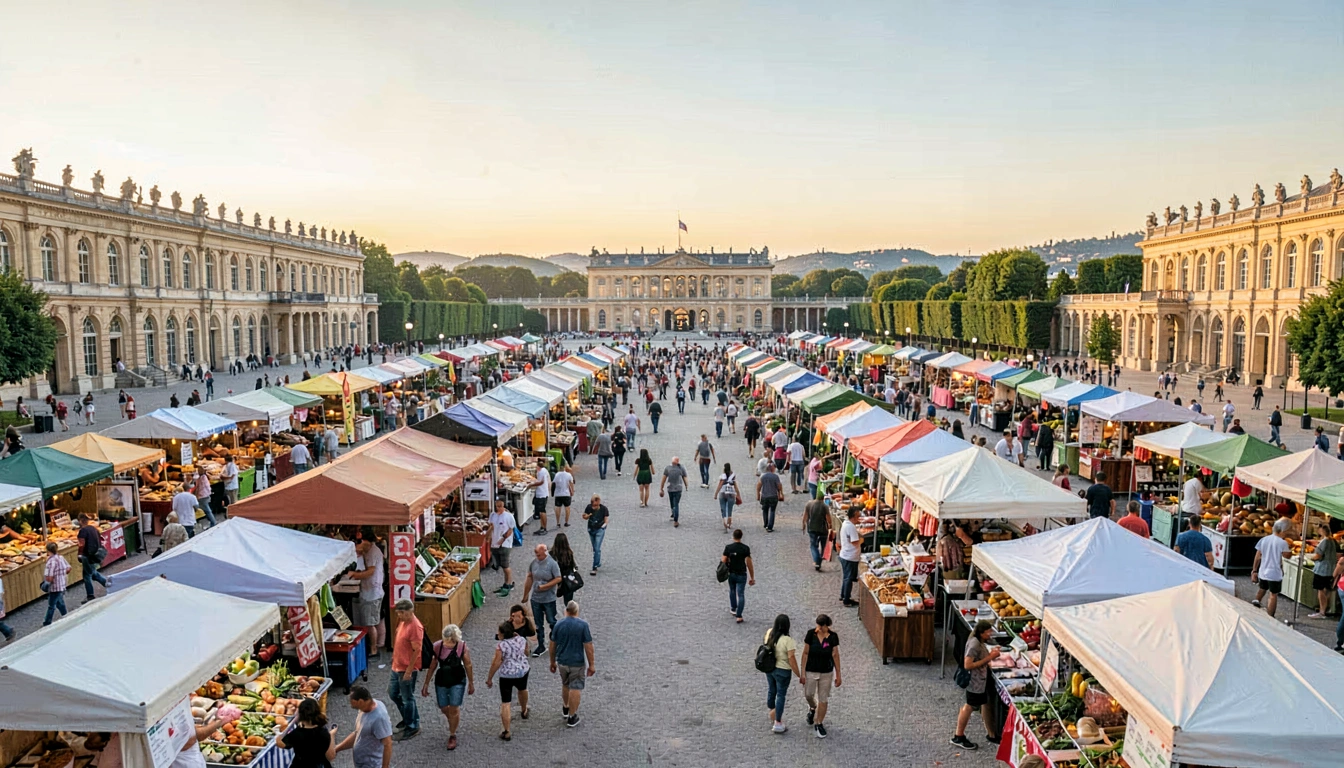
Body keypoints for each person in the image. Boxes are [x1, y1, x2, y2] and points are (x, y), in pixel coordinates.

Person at [420, 624, 474, 751]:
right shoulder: (437, 646)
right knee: (443, 706)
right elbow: (433, 665)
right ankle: (453, 720)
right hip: (442, 679)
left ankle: (452, 734)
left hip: (458, 679)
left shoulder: (462, 646)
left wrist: (471, 682)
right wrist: (426, 683)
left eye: (452, 641)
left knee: (454, 706)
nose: (449, 644)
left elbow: (468, 665)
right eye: (448, 641)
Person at [952, 620, 1001, 750]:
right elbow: (968, 665)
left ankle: (991, 734)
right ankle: (959, 736)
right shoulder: (974, 645)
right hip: (975, 682)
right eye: (988, 632)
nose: (990, 634)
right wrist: (990, 658)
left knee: (982, 703)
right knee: (969, 706)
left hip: (980, 681)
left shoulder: (978, 641)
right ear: (982, 633)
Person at [549, 600, 595, 728]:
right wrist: (591, 664)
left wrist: (552, 661)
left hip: (562, 661)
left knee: (565, 684)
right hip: (577, 662)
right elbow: (588, 646)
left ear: (566, 611)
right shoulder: (583, 625)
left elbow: (552, 644)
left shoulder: (558, 624)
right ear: (577, 611)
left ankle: (566, 707)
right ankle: (572, 716)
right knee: (575, 687)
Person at [485, 619, 530, 741]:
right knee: (523, 689)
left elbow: (497, 662)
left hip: (507, 674)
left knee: (506, 702)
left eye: (499, 633)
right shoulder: (521, 639)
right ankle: (524, 709)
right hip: (522, 670)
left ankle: (507, 730)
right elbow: (527, 652)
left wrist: (490, 677)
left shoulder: (501, 646)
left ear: (503, 634)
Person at [800, 614, 842, 739]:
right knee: (808, 694)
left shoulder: (833, 637)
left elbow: (835, 655)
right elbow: (805, 653)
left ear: (825, 626)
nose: (817, 627)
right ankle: (813, 707)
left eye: (820, 625)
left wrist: (838, 674)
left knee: (823, 698)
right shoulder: (810, 634)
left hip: (826, 672)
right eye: (817, 625)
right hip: (811, 670)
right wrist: (802, 672)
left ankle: (819, 723)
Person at [761, 614, 802, 734]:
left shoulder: (769, 633)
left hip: (770, 668)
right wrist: (798, 674)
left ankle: (772, 710)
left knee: (771, 689)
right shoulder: (788, 641)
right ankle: (778, 722)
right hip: (783, 671)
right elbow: (792, 659)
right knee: (781, 695)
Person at [333, 686, 393, 768]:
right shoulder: (364, 709)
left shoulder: (379, 718)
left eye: (353, 703)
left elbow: (388, 744)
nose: (351, 706)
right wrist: (336, 749)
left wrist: (385, 766)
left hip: (372, 764)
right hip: (362, 763)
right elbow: (358, 734)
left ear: (361, 701)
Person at [388, 599, 423, 739]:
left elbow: (417, 650)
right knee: (393, 693)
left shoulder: (415, 627)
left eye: (401, 613)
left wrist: (409, 671)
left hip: (406, 668)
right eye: (398, 613)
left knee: (407, 697)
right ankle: (410, 718)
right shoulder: (403, 622)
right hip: (396, 666)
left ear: (409, 611)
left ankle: (412, 726)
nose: (399, 616)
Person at [522, 544, 562, 659]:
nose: (537, 556)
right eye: (536, 554)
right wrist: (525, 594)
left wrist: (545, 586)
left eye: (539, 554)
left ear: (545, 552)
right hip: (536, 599)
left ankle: (556, 643)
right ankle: (541, 645)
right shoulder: (534, 563)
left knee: (552, 621)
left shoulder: (552, 564)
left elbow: (558, 578)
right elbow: (529, 577)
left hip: (549, 599)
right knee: (538, 624)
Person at [350, 537, 386, 656]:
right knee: (371, 621)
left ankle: (373, 650)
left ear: (364, 541)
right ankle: (373, 647)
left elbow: (370, 572)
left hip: (372, 593)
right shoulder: (369, 551)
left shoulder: (373, 552)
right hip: (369, 591)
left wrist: (355, 575)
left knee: (370, 623)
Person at [276, 698, 337, 768]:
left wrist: (280, 733)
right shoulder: (323, 732)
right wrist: (332, 734)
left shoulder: (296, 734)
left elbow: (280, 744)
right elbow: (330, 756)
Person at [1251, 518, 1292, 618]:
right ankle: (1270, 615)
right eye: (1286, 531)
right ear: (1282, 531)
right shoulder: (1282, 543)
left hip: (1263, 571)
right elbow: (1287, 555)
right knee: (1273, 594)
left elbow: (1257, 556)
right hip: (1274, 572)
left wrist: (1254, 570)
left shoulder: (1264, 539)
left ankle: (1254, 606)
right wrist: (1289, 551)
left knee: (1262, 588)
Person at [722, 528, 755, 622]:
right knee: (741, 594)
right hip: (742, 574)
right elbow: (749, 564)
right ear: (741, 537)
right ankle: (739, 615)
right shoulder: (745, 548)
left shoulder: (728, 548)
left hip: (731, 573)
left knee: (732, 590)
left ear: (733, 536)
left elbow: (723, 560)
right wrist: (752, 577)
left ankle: (733, 608)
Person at [1308, 520, 1338, 619]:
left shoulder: (1324, 542)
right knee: (1327, 590)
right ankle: (1326, 608)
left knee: (1320, 591)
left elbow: (1318, 555)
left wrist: (1311, 558)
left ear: (1322, 530)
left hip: (1322, 569)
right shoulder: (1333, 541)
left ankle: (1322, 611)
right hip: (1330, 568)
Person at [76, 513, 108, 603]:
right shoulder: (93, 529)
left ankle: (90, 595)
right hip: (95, 553)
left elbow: (81, 544)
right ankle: (108, 584)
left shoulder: (83, 531)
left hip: (87, 555)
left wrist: (80, 554)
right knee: (93, 573)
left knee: (87, 575)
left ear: (81, 521)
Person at [489, 500, 517, 596]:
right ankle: (505, 583)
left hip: (505, 544)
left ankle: (509, 584)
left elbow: (511, 529)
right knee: (500, 564)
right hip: (494, 543)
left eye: (500, 506)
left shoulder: (508, 516)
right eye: (497, 506)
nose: (498, 508)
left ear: (503, 505)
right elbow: (491, 527)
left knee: (505, 566)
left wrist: (503, 539)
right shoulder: (492, 515)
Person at [838, 507, 862, 607]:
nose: (859, 518)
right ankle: (847, 600)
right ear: (853, 517)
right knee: (849, 578)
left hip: (845, 555)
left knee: (846, 577)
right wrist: (862, 540)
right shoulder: (851, 527)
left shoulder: (846, 523)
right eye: (858, 516)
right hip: (850, 556)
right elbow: (854, 542)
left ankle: (843, 595)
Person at [42, 541, 69, 625]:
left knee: (51, 605)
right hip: (62, 583)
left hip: (54, 586)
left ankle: (47, 621)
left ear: (48, 551)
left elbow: (49, 577)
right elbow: (68, 568)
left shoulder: (50, 562)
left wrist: (47, 582)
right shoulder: (61, 558)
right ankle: (66, 615)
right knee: (59, 601)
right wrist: (61, 574)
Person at [551, 533, 582, 605]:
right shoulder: (568, 553)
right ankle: (569, 612)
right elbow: (572, 566)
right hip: (567, 580)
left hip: (555, 579)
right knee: (568, 600)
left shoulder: (552, 554)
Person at [582, 495, 609, 576]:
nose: (595, 507)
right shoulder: (588, 507)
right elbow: (584, 516)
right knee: (595, 548)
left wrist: (604, 526)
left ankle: (594, 567)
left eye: (596, 505)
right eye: (593, 505)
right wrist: (588, 515)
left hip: (600, 529)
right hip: (591, 529)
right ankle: (597, 561)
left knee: (597, 548)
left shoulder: (604, 509)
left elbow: (606, 519)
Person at [803, 495, 831, 572]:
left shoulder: (809, 504)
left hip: (812, 528)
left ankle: (817, 559)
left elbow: (805, 516)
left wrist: (803, 525)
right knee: (823, 546)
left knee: (813, 545)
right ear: (822, 498)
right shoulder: (824, 506)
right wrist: (830, 526)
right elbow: (828, 518)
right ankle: (819, 561)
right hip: (823, 529)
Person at [659, 456, 689, 527]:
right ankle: (675, 517)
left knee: (672, 502)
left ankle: (674, 516)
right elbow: (684, 477)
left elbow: (664, 478)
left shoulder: (668, 468)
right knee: (676, 503)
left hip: (670, 488)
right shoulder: (681, 468)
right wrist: (686, 485)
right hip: (678, 488)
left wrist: (661, 488)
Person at [713, 463, 741, 533]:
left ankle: (725, 521)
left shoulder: (723, 476)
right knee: (730, 509)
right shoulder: (733, 476)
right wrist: (738, 495)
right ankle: (729, 522)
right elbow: (736, 486)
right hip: (731, 493)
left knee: (723, 507)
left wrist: (716, 493)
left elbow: (720, 485)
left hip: (723, 493)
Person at [757, 461, 783, 532]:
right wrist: (780, 493)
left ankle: (765, 523)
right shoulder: (775, 477)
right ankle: (770, 526)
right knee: (772, 510)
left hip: (764, 496)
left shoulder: (763, 476)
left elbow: (758, 486)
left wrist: (758, 495)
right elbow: (779, 486)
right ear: (772, 469)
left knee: (765, 510)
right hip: (773, 496)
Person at [529, 463, 551, 535]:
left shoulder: (541, 472)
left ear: (538, 467)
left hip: (542, 494)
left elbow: (541, 482)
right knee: (541, 512)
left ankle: (544, 528)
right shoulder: (544, 471)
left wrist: (531, 485)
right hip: (542, 493)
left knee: (542, 511)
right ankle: (542, 527)